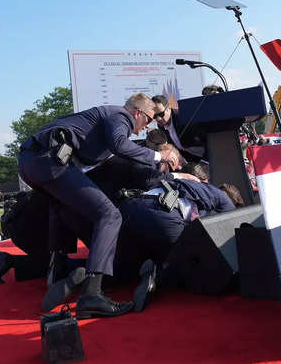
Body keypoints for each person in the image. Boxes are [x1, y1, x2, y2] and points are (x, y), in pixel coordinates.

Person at [17, 93, 179, 319]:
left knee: (66, 209)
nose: (147, 127)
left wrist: (172, 175)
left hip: (34, 162)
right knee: (109, 215)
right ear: (137, 113)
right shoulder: (120, 116)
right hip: (50, 159)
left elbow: (119, 157)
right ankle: (92, 294)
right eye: (149, 119)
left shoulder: (103, 124)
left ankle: (59, 270)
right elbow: (120, 144)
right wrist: (158, 155)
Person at [151, 95, 207, 162]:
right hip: (194, 159)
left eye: (161, 114)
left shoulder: (183, 116)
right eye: (155, 116)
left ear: (168, 108)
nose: (158, 119)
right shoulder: (161, 126)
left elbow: (204, 134)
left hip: (210, 152)